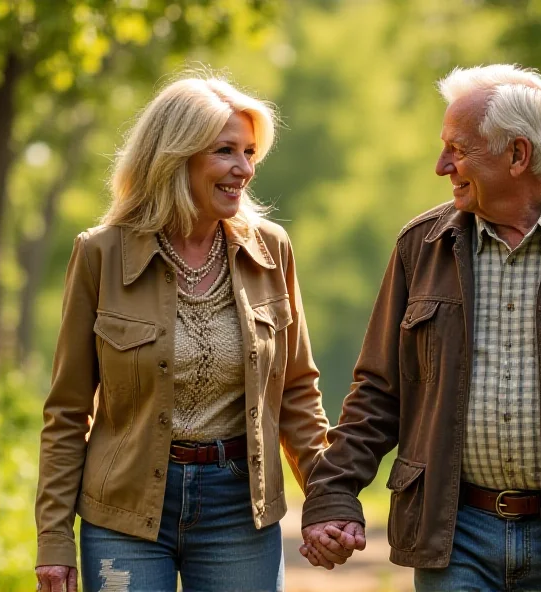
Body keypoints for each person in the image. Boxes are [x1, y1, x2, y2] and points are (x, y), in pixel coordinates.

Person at [299, 64, 541, 591]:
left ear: (518, 155)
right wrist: (334, 494)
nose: (442, 166)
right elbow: (378, 391)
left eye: (458, 150)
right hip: (455, 535)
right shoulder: (422, 247)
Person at [34, 73, 329, 592]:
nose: (244, 169)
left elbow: (298, 394)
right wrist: (54, 539)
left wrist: (328, 500)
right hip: (124, 509)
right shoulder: (100, 255)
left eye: (249, 152)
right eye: (226, 152)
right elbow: (66, 412)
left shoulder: (271, 250)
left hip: (238, 508)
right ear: (177, 156)